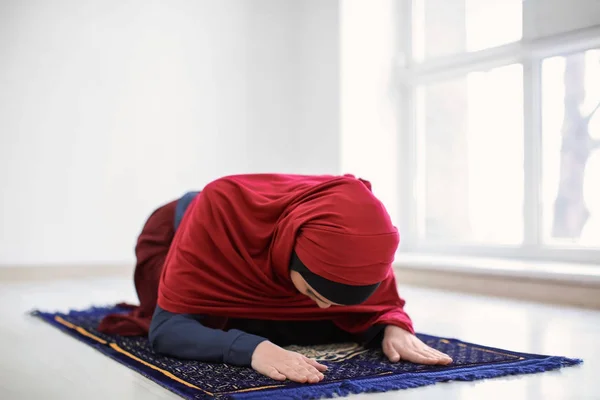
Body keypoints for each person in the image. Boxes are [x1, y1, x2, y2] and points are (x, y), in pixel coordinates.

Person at [98, 173, 452, 384]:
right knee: (224, 327)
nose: (323, 306)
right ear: (288, 252)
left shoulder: (361, 234)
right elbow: (167, 330)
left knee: (313, 322)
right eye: (313, 290)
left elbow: (382, 306)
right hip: (176, 233)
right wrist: (250, 349)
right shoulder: (220, 211)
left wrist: (392, 326)